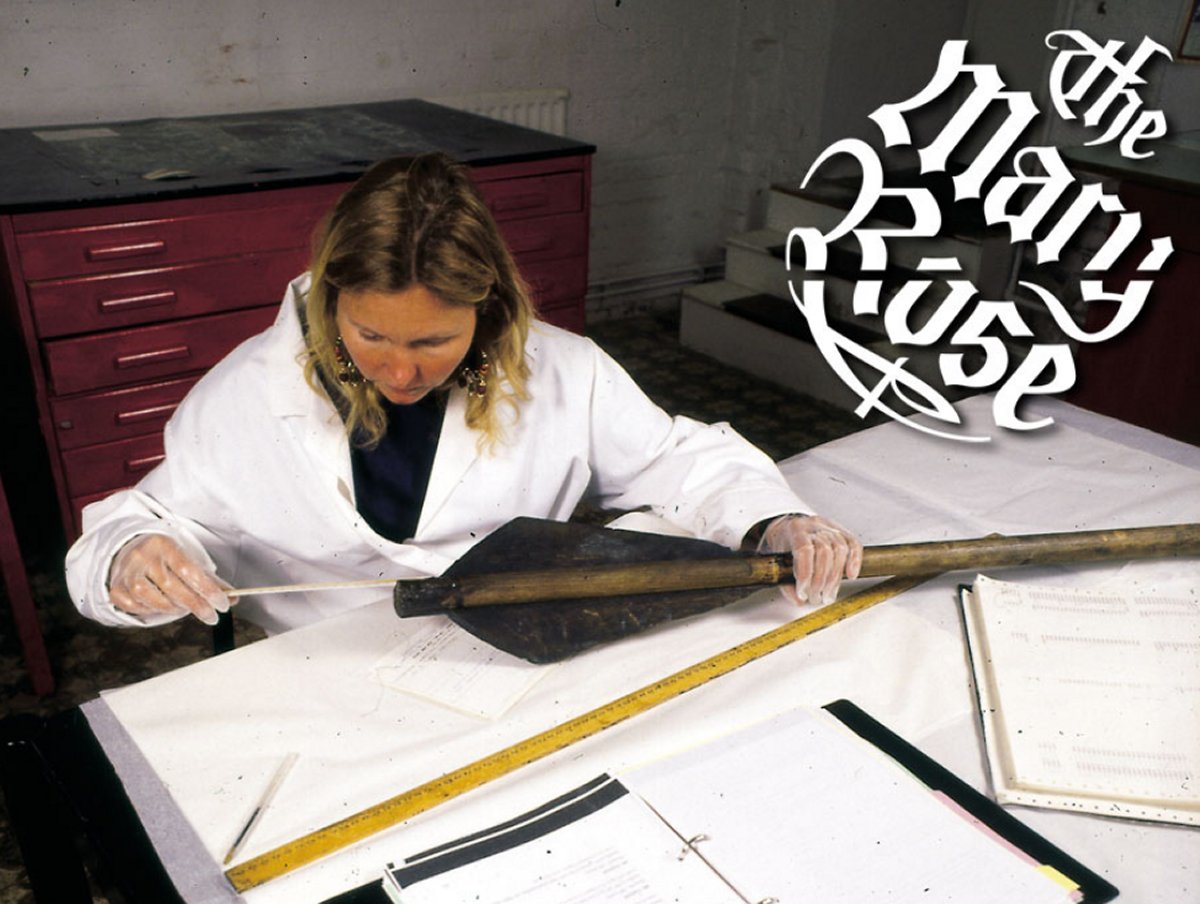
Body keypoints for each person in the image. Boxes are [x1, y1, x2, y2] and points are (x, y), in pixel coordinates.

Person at [65, 153, 862, 635]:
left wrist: (774, 519)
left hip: (514, 638)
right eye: (371, 336)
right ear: (333, 302)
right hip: (323, 659)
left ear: (487, 312)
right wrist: (132, 560)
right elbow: (142, 524)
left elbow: (681, 462)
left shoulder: (565, 371)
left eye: (432, 343)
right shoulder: (244, 393)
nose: (400, 374)